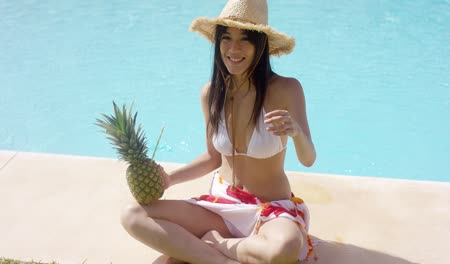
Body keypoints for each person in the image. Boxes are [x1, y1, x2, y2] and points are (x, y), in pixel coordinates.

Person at [120, 0, 317, 263]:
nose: (233, 49)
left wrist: (296, 132)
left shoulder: (286, 89)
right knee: (133, 215)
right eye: (226, 38)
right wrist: (170, 179)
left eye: (244, 40)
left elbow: (308, 158)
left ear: (261, 45)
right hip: (221, 207)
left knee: (284, 250)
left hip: (268, 212)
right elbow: (213, 157)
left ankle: (216, 245)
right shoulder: (211, 93)